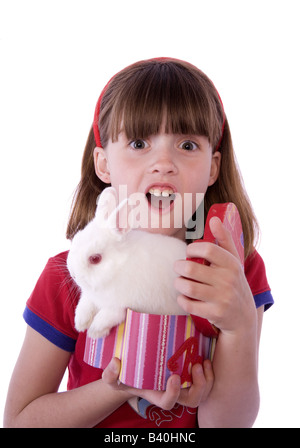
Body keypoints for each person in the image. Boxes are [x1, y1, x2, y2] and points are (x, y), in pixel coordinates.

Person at [4, 57, 273, 428]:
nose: (163, 162)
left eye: (187, 145)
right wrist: (120, 386)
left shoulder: (234, 268)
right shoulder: (69, 276)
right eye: (139, 141)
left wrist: (240, 326)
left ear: (212, 168)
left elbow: (228, 424)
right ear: (103, 164)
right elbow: (20, 421)